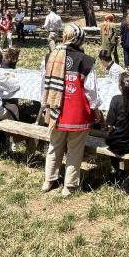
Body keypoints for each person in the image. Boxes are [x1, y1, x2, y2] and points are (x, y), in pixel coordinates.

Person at [41, 24, 102, 197]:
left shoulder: (50, 57)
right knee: (75, 150)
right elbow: (91, 90)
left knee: (54, 146)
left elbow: (43, 85)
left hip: (55, 110)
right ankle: (69, 185)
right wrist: (96, 109)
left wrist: (45, 105)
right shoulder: (86, 60)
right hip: (77, 112)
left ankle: (49, 180)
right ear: (80, 39)